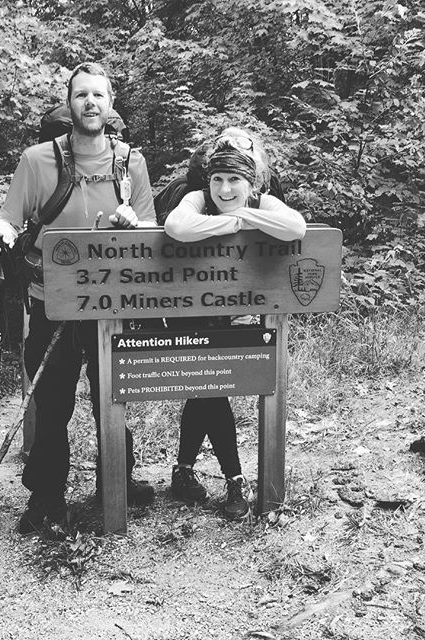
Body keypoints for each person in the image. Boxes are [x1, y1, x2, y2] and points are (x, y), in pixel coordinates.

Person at [0, 62, 157, 534]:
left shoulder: (131, 164)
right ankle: (46, 497)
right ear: (69, 102)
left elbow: (150, 231)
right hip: (50, 302)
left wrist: (131, 228)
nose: (91, 103)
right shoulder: (37, 161)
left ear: (111, 102)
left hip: (112, 308)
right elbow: (8, 219)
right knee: (53, 404)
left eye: (99, 95)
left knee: (112, 399)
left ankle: (116, 481)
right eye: (82, 95)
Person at [163, 130, 307, 519]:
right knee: (209, 387)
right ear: (208, 179)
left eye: (235, 181)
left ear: (251, 180)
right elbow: (177, 227)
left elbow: (296, 227)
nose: (225, 189)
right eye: (218, 179)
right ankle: (234, 479)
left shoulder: (263, 200)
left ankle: (185, 471)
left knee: (205, 386)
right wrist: (234, 224)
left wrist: (242, 214)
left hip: (231, 306)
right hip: (186, 306)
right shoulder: (196, 197)